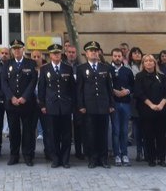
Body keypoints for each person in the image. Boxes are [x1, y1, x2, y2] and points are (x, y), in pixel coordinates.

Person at [77, 41, 115, 169]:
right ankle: (93, 158)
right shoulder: (81, 69)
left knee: (103, 133)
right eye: (91, 51)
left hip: (103, 105)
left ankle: (103, 158)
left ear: (99, 52)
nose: (93, 52)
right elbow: (80, 89)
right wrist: (81, 105)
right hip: (89, 106)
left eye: (95, 50)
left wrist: (111, 104)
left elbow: (109, 88)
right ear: (86, 54)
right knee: (90, 133)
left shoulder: (105, 68)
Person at [38, 44, 76, 168]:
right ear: (50, 55)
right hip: (51, 106)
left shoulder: (67, 68)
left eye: (58, 53)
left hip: (65, 106)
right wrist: (42, 104)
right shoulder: (45, 69)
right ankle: (55, 158)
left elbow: (72, 88)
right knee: (52, 134)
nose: (56, 55)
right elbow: (42, 88)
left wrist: (72, 104)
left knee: (66, 135)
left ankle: (65, 159)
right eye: (54, 53)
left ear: (61, 54)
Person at [1, 39, 38, 166]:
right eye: (14, 48)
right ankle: (14, 155)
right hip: (12, 104)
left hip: (27, 104)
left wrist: (24, 97)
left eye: (19, 48)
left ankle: (28, 155)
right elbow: (4, 82)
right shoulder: (7, 64)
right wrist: (11, 97)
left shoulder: (31, 63)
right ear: (12, 50)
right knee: (14, 131)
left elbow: (33, 81)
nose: (17, 50)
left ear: (23, 49)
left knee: (28, 131)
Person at [135, 54, 166, 167]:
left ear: (155, 63)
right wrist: (151, 105)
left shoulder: (161, 76)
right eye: (146, 61)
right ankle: (151, 158)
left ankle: (161, 158)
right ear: (143, 64)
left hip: (161, 109)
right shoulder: (139, 76)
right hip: (146, 110)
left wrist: (161, 104)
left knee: (161, 135)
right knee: (148, 135)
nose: (149, 63)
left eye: (151, 61)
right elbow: (139, 93)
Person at [110, 48, 134, 166]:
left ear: (122, 57)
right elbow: (105, 85)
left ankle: (124, 153)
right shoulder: (107, 70)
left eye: (119, 56)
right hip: (114, 103)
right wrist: (113, 91)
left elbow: (133, 85)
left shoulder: (127, 71)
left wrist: (127, 91)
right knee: (116, 130)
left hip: (125, 103)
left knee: (124, 130)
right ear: (112, 57)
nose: (117, 58)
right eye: (115, 56)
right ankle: (117, 154)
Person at [128, 46, 145, 162]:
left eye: (139, 53)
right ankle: (139, 151)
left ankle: (147, 151)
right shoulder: (128, 67)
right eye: (135, 53)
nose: (137, 55)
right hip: (135, 99)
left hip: (147, 98)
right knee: (137, 127)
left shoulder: (146, 65)